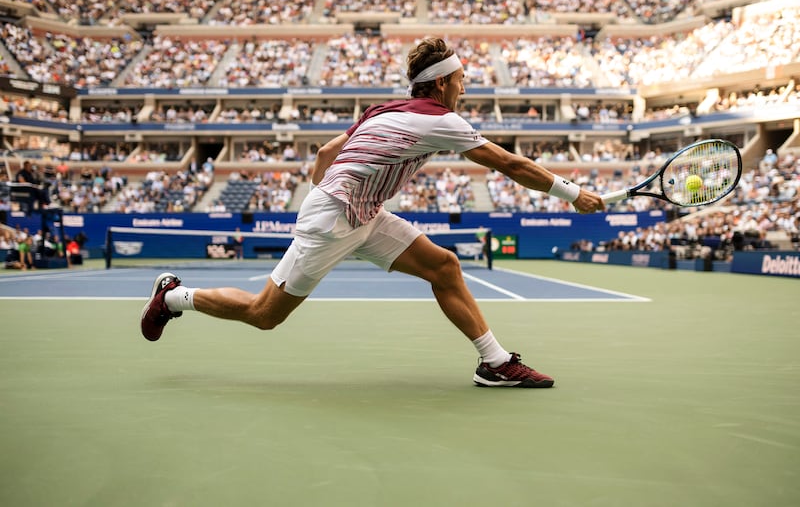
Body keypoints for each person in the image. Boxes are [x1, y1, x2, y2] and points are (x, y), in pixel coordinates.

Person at [141, 37, 606, 388]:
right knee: (265, 314)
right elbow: (509, 163)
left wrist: (330, 186)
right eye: (461, 80)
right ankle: (175, 297)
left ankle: (495, 363)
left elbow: (325, 152)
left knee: (444, 267)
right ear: (442, 82)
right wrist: (572, 193)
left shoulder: (381, 110)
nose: (464, 88)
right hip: (335, 219)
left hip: (362, 214)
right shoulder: (442, 119)